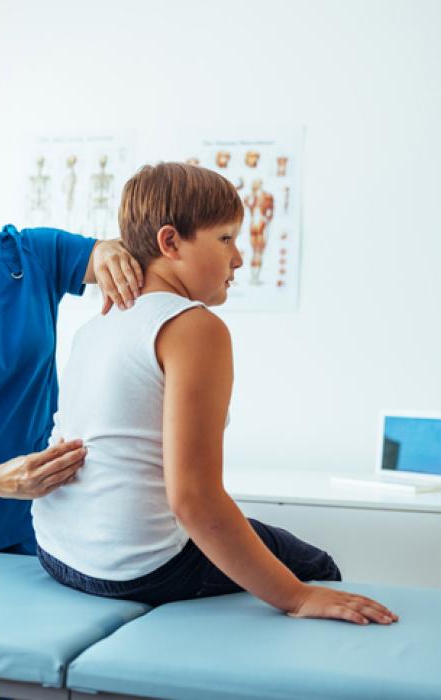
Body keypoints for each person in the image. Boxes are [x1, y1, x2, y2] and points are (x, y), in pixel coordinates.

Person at [33, 162, 398, 626]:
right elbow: (193, 500)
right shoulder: (193, 327)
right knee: (314, 569)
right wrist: (298, 597)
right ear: (170, 242)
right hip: (136, 568)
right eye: (226, 239)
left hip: (58, 552)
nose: (239, 258)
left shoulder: (96, 325)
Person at [0, 125, 146, 697]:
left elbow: (107, 257)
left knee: (34, 679)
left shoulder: (28, 254)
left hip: (45, 517)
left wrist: (110, 251)